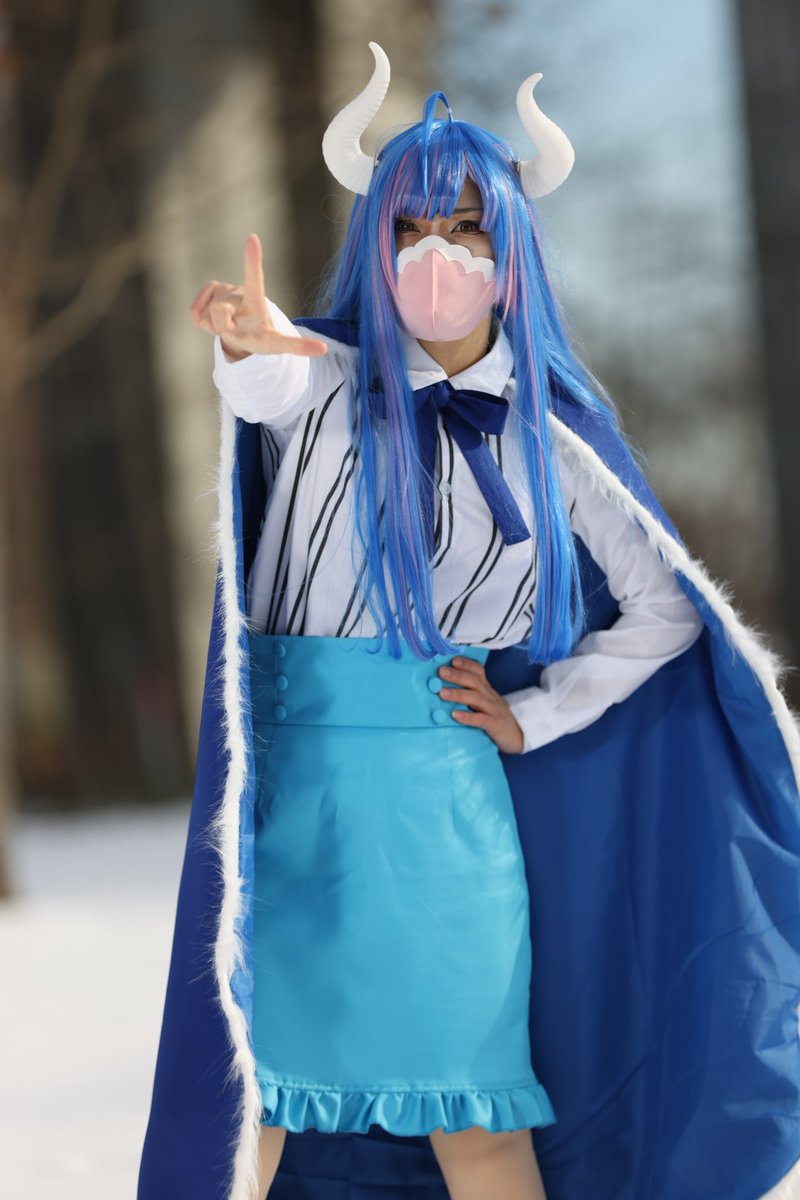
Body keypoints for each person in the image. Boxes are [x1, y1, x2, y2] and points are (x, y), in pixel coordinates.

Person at [138, 43, 800, 1200]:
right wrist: (246, 336)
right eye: (407, 229)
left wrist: (536, 715)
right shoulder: (325, 381)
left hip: (440, 801)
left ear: (510, 252)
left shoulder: (551, 443)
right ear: (373, 244)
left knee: (474, 1110)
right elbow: (267, 377)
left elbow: (664, 609)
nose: (434, 255)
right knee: (264, 1102)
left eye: (464, 229)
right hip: (293, 798)